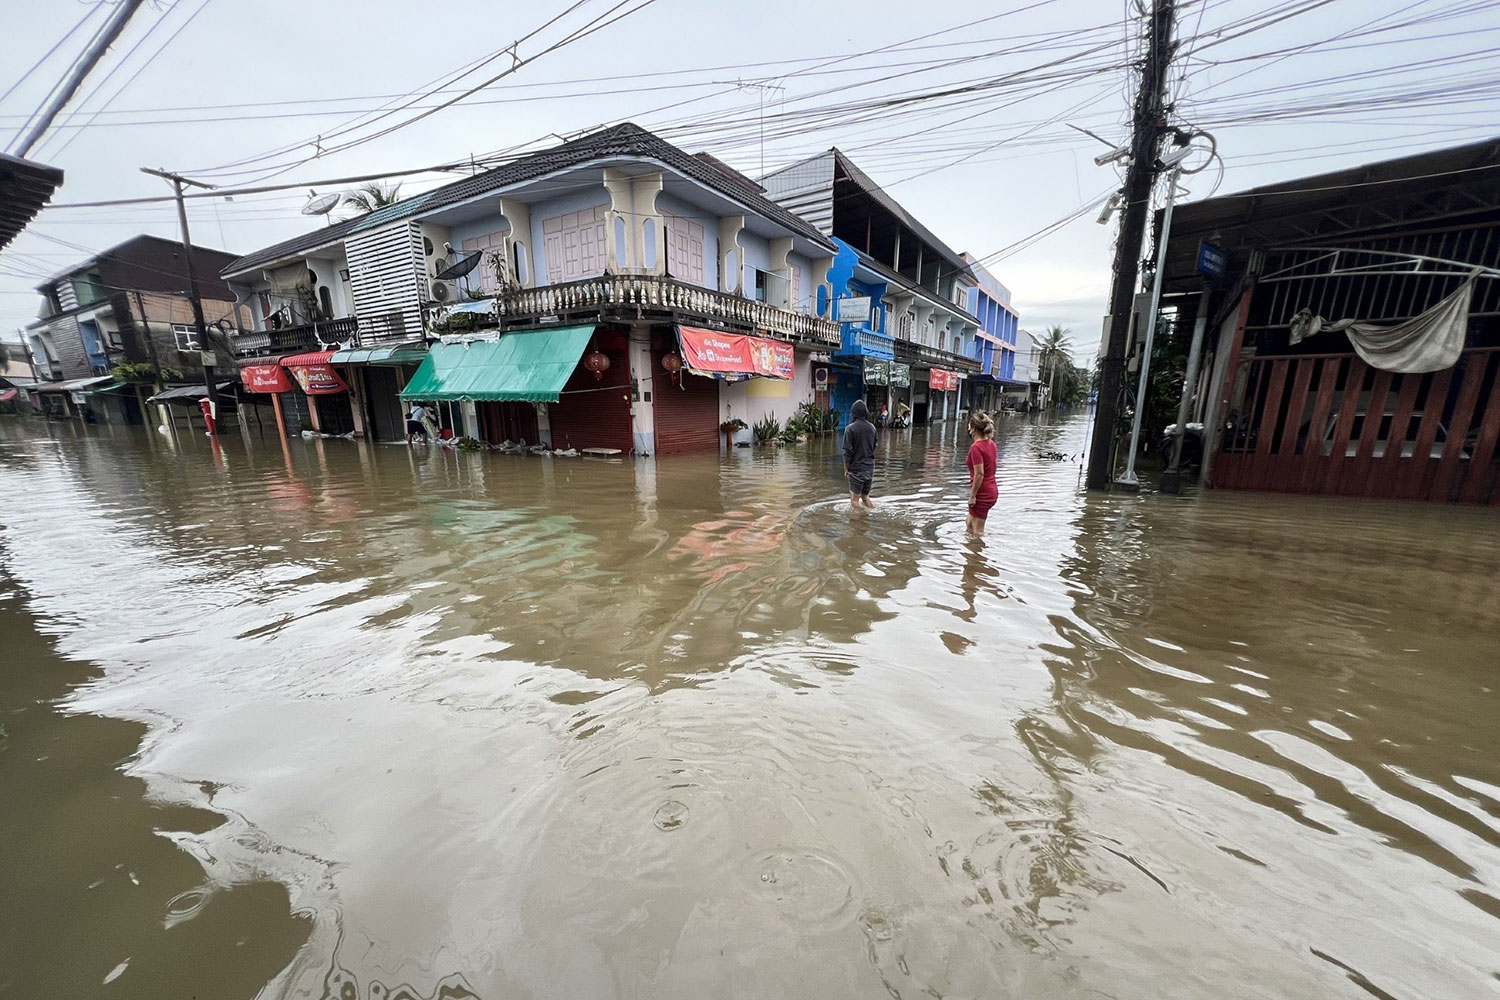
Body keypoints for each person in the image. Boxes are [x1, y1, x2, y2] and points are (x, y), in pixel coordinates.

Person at [965, 410, 999, 534]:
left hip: (982, 492)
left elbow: (979, 474)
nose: (968, 429)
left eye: (969, 426)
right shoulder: (991, 444)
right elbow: (994, 466)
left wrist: (973, 495)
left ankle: (978, 547)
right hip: (991, 489)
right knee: (969, 523)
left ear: (973, 428)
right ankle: (968, 546)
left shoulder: (976, 447)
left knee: (978, 531)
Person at [843, 399, 879, 510]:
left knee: (854, 500)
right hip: (870, 467)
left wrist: (846, 468)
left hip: (856, 468)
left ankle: (857, 521)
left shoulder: (850, 429)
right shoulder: (872, 428)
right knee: (865, 497)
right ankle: (871, 513)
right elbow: (874, 446)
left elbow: (847, 452)